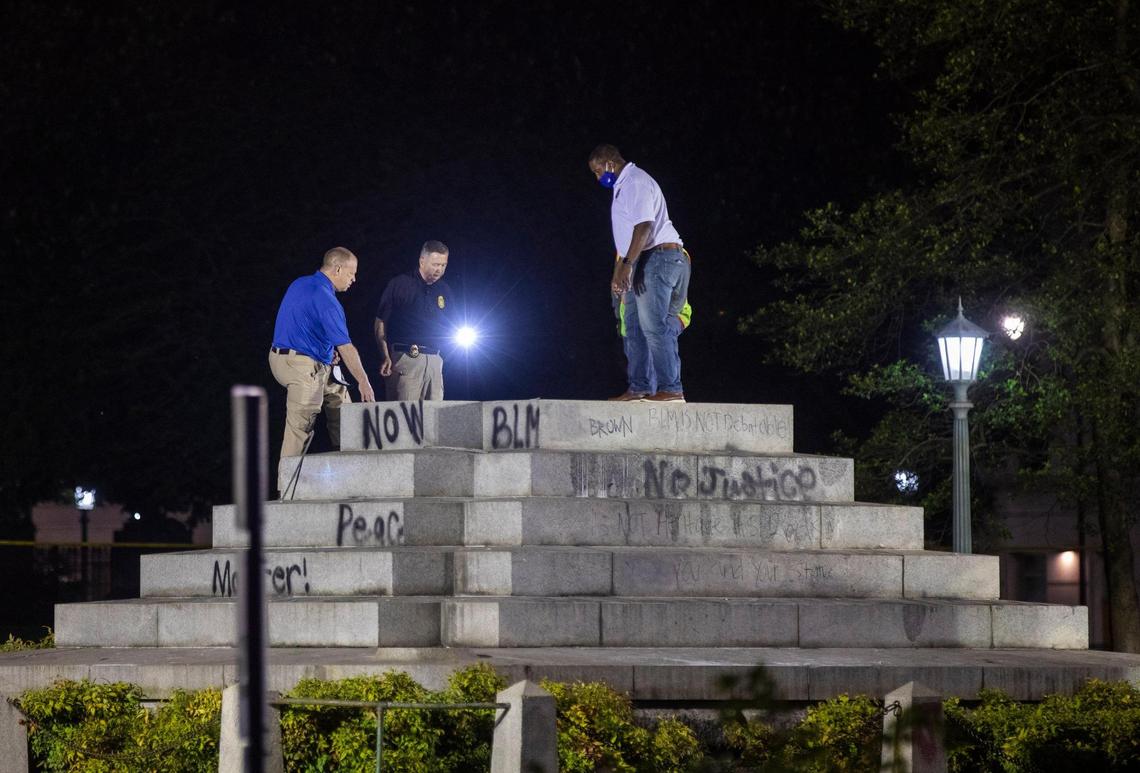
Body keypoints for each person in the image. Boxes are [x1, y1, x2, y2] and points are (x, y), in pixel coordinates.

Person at [589, 144, 691, 402]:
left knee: (653, 326)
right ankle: (639, 387)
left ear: (611, 163)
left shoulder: (635, 181)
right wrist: (618, 271)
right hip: (639, 262)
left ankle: (671, 388)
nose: (598, 177)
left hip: (658, 257)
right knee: (631, 327)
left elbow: (644, 226)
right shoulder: (622, 188)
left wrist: (626, 264)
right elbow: (624, 239)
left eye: (598, 170)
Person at [269, 247, 375, 490]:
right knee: (301, 424)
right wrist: (364, 381)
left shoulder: (300, 283)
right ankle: (287, 490)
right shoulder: (327, 300)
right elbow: (347, 347)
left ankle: (352, 473)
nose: (354, 279)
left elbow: (301, 323)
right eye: (351, 273)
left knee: (342, 406)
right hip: (300, 365)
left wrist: (326, 352)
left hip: (285, 357)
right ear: (337, 269)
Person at [373, 240, 454, 400]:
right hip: (406, 358)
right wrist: (385, 355)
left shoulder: (445, 289)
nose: (439, 269)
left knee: (435, 417)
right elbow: (380, 321)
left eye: (443, 265)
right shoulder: (400, 284)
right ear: (422, 261)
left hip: (435, 361)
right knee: (404, 418)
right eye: (435, 264)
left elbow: (451, 324)